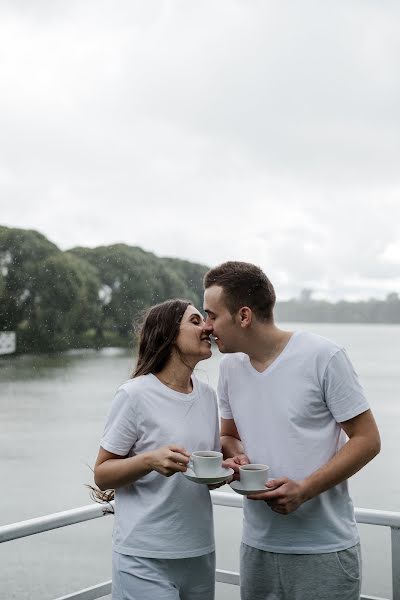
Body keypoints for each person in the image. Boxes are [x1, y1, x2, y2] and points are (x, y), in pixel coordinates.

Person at [203, 261, 381, 600]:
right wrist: (237, 456)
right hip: (257, 547)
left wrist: (305, 489)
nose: (208, 326)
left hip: (324, 550)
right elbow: (229, 436)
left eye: (212, 315)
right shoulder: (229, 369)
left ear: (244, 316)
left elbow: (368, 440)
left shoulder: (323, 356)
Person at [93, 299, 219, 600]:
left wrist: (229, 470)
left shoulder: (208, 396)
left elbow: (207, 477)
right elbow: (103, 474)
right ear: (168, 334)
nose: (207, 328)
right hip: (143, 557)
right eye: (195, 321)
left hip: (199, 552)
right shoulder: (134, 395)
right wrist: (149, 460)